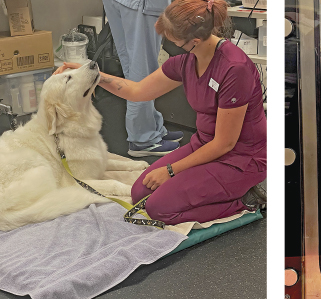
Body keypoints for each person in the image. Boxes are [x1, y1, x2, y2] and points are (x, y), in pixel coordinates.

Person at [55, 0, 266, 225]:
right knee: (140, 194)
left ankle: (246, 199)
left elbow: (224, 144)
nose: (168, 43)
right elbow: (137, 91)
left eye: (172, 40)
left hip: (241, 158)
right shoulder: (188, 60)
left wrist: (171, 170)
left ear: (193, 41)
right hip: (204, 145)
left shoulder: (235, 68)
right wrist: (91, 75)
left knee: (158, 209)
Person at [102, 0, 182, 157]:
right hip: (142, 5)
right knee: (143, 71)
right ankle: (143, 139)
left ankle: (152, 128)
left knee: (133, 68)